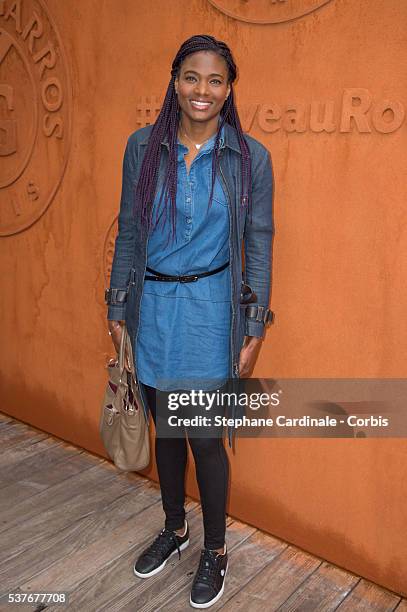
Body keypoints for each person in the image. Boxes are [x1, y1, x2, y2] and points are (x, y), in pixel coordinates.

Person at [105, 34, 274, 609]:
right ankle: (175, 529)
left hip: (211, 309)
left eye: (216, 80)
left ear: (229, 90)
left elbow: (258, 241)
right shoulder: (141, 148)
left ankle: (215, 550)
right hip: (152, 307)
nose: (202, 90)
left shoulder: (250, 158)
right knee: (166, 430)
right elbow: (129, 231)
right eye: (192, 77)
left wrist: (254, 324)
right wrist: (117, 308)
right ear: (175, 80)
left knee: (203, 436)